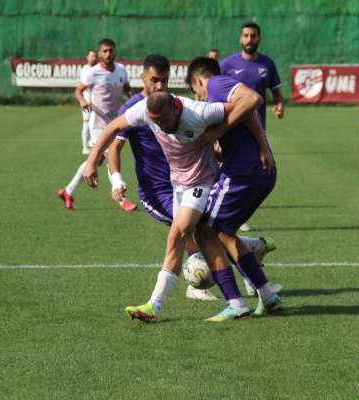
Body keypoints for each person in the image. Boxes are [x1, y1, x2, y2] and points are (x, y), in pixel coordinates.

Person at [84, 92, 279, 323]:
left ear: (177, 109)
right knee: (207, 239)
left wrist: (250, 143)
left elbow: (245, 105)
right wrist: (91, 160)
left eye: (165, 121)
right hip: (178, 186)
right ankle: (261, 291)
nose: (161, 127)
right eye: (155, 122)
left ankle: (154, 306)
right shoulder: (145, 110)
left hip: (202, 183)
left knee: (176, 236)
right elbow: (113, 127)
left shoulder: (199, 112)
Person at [107, 54, 277, 302]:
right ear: (143, 77)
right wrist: (115, 179)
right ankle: (249, 263)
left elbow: (244, 109)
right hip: (159, 190)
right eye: (154, 80)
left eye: (164, 80)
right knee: (199, 233)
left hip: (195, 182)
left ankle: (242, 292)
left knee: (206, 232)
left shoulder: (178, 108)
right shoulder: (136, 109)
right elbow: (114, 144)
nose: (160, 86)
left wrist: (224, 145)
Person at [187, 56, 284, 315]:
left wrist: (217, 132)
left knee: (205, 233)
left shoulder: (217, 85)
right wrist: (262, 147)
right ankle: (267, 296)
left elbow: (253, 99)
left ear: (198, 81)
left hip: (243, 174)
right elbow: (248, 111)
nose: (199, 97)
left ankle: (235, 303)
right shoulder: (222, 91)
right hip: (258, 173)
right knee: (224, 234)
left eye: (196, 91)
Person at [58, 38, 136, 212]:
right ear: (100, 53)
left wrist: (136, 100)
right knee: (110, 154)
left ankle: (68, 191)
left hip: (114, 121)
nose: (108, 54)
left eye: (111, 50)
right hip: (98, 122)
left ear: (115, 52)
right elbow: (78, 91)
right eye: (105, 51)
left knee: (97, 159)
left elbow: (127, 89)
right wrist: (81, 101)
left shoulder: (122, 70)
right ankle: (121, 198)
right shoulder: (93, 72)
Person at [220, 23, 283, 236]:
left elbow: (276, 90)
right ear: (240, 39)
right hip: (230, 130)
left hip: (257, 131)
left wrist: (279, 104)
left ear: (259, 39)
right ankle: (227, 215)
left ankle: (238, 217)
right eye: (246, 36)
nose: (249, 39)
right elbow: (214, 89)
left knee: (254, 172)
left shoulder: (267, 64)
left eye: (253, 36)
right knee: (229, 169)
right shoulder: (227, 64)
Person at [80, 50, 98, 154]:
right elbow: (84, 87)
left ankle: (93, 143)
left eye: (95, 56)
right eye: (92, 56)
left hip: (96, 101)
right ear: (87, 57)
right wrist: (88, 98)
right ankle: (84, 146)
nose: (94, 58)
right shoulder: (85, 70)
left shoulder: (97, 69)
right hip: (87, 101)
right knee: (86, 123)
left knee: (95, 122)